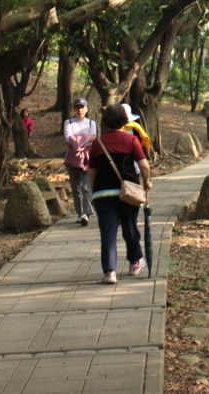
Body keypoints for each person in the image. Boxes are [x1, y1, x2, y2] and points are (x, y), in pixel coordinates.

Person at [89, 104, 151, 284]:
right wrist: (147, 182)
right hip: (128, 192)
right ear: (125, 120)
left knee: (107, 232)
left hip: (103, 193)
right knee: (130, 227)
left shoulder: (97, 143)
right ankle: (135, 261)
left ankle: (110, 272)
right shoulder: (131, 141)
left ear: (105, 121)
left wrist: (94, 192)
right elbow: (144, 166)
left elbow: (91, 172)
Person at [63, 98, 96, 226]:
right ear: (74, 109)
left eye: (82, 107)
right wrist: (85, 137)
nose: (80, 110)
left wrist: (76, 138)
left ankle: (86, 214)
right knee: (75, 187)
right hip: (72, 158)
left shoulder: (91, 123)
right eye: (77, 107)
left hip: (88, 157)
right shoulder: (69, 122)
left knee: (86, 186)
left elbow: (93, 138)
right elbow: (67, 140)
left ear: (87, 108)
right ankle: (79, 213)